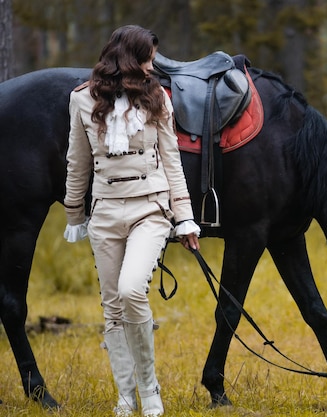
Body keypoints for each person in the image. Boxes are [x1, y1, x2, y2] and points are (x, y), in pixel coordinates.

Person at [63, 25, 200, 417]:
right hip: (105, 211)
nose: (152, 66)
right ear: (130, 58)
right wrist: (75, 212)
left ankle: (149, 389)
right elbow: (78, 162)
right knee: (112, 309)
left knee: (130, 290)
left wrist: (185, 218)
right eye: (148, 58)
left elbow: (172, 162)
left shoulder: (157, 98)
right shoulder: (82, 101)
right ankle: (126, 396)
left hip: (150, 209)